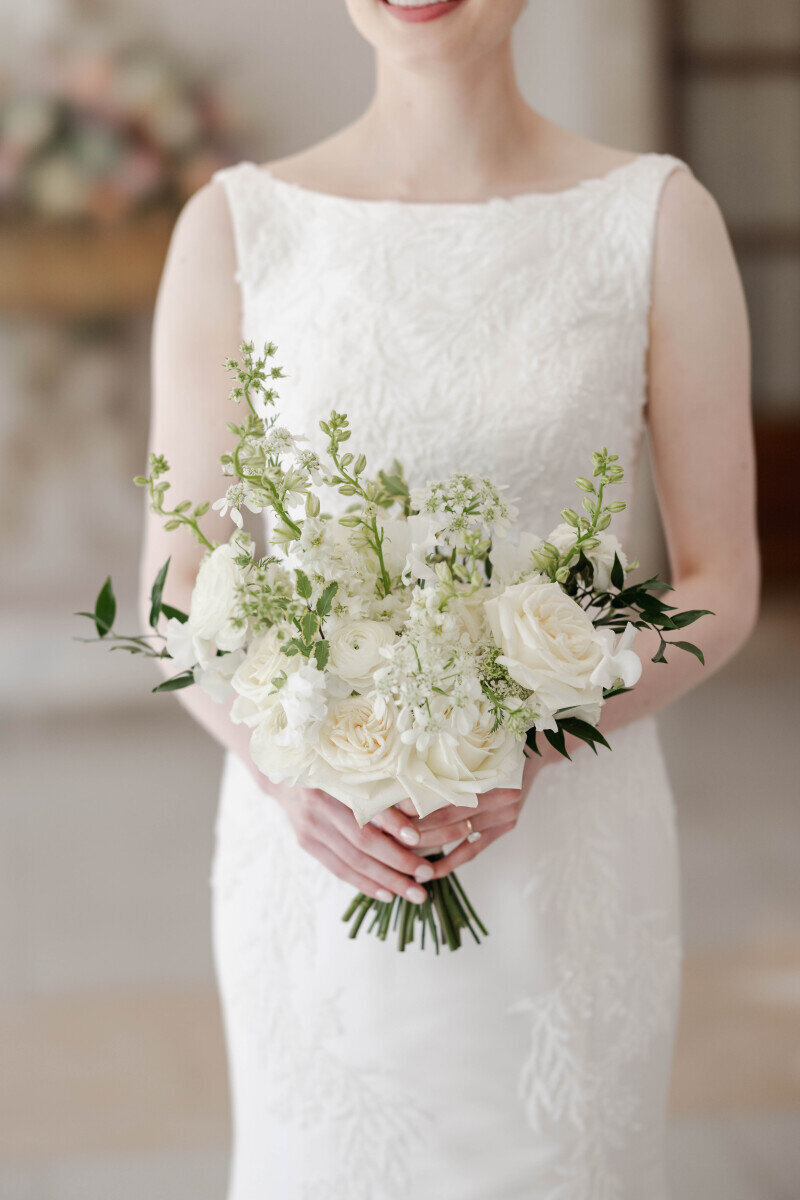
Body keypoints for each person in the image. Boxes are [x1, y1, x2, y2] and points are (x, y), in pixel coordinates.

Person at [141, 1, 759, 1196]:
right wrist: (287, 769)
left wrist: (536, 735)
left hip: (567, 837)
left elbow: (718, 585)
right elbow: (173, 585)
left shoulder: (654, 218)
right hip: (316, 850)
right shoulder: (234, 227)